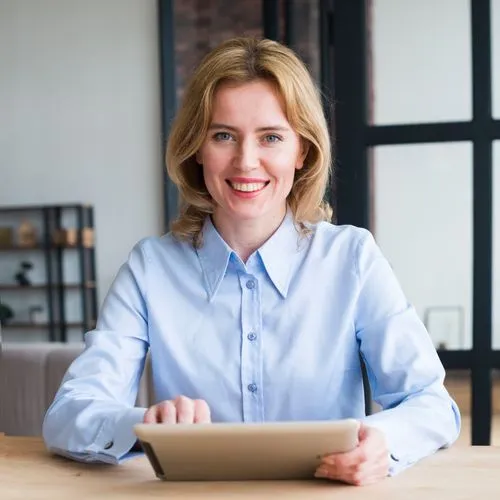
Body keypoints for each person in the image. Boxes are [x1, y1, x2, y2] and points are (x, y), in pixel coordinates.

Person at [43, 37, 460, 486]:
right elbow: (69, 413)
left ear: (302, 151)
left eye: (271, 138)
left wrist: (381, 441)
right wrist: (145, 424)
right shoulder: (150, 268)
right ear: (197, 148)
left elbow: (432, 403)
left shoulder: (352, 258)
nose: (246, 162)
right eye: (223, 135)